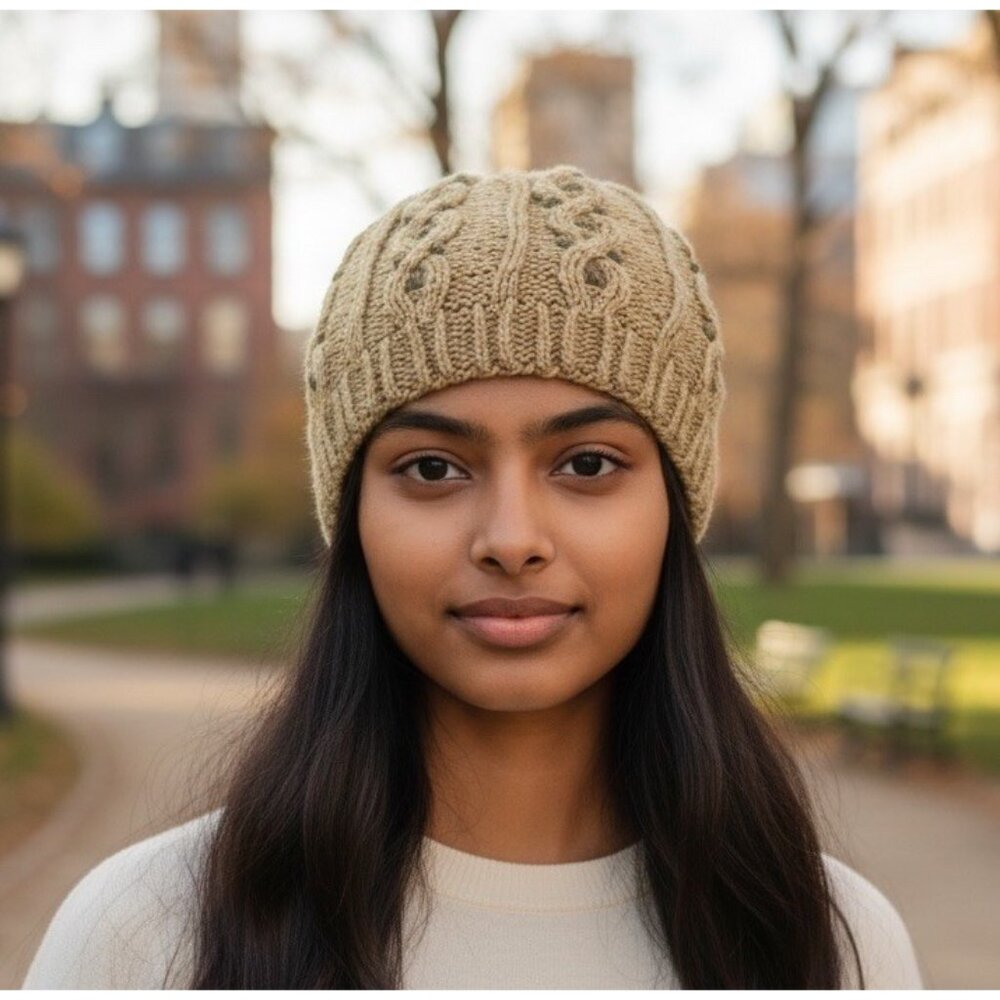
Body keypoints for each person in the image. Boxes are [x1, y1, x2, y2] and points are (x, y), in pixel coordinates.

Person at [21, 164, 924, 990]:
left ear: (673, 509)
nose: (511, 539)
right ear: (354, 517)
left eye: (588, 464)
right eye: (432, 470)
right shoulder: (143, 938)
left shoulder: (833, 943)